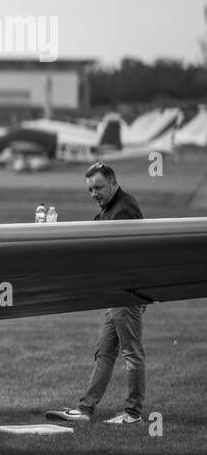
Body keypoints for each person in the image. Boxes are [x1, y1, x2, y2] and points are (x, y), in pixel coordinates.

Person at [46, 162, 147, 425]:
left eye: (98, 187)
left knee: (131, 354)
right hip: (116, 295)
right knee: (104, 351)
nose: (94, 194)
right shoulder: (109, 210)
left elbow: (120, 255)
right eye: (90, 189)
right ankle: (85, 409)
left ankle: (133, 414)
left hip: (126, 295)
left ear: (114, 183)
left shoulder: (123, 210)